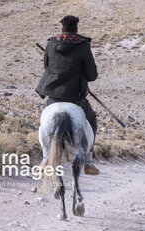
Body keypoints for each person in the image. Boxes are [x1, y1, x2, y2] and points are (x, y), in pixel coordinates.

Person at [35, 15, 100, 175]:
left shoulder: (51, 44)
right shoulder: (83, 46)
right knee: (91, 119)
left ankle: (44, 158)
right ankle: (88, 162)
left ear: (62, 29)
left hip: (54, 95)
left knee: (44, 120)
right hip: (76, 97)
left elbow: (47, 67)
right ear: (76, 29)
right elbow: (92, 75)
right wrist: (80, 73)